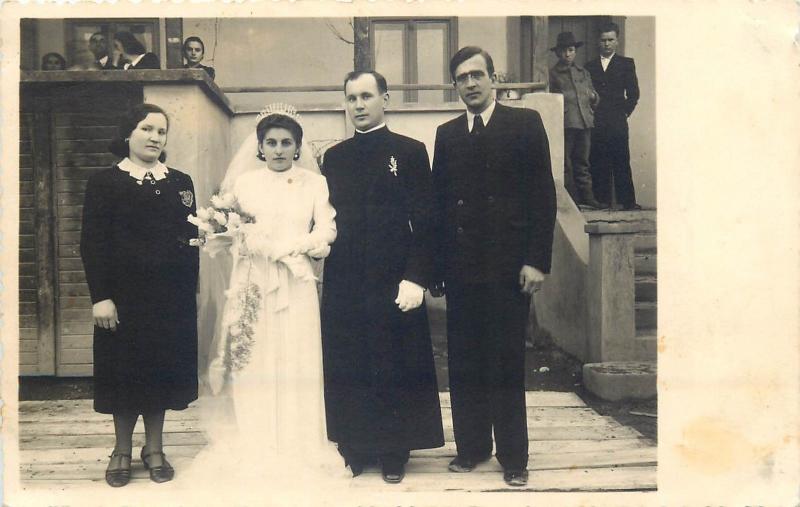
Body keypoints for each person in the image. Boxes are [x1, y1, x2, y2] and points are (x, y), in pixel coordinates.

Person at [186, 104, 345, 491]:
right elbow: (229, 234)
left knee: (296, 358)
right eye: (270, 143)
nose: (277, 150)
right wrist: (243, 240)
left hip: (295, 282)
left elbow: (327, 231)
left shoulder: (313, 183)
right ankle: (257, 441)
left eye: (286, 143)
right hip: (253, 281)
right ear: (259, 147)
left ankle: (298, 443)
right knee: (254, 360)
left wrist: (294, 245)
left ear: (297, 147)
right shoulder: (244, 185)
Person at [431, 46, 556, 487]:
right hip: (462, 270)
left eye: (477, 75)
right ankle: (471, 449)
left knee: (505, 362)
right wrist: (437, 269)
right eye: (461, 78)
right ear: (455, 85)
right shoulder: (446, 134)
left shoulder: (524, 124)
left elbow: (543, 196)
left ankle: (514, 457)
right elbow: (441, 207)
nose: (470, 84)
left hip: (508, 270)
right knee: (464, 361)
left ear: (494, 78)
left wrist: (536, 261)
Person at [321, 70, 444, 484]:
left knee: (394, 361)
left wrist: (417, 278)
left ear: (385, 100)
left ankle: (394, 449)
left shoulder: (409, 152)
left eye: (367, 96)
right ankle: (356, 444)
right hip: (345, 279)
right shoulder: (333, 158)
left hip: (393, 276)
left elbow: (427, 222)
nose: (358, 105)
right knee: (351, 360)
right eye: (351, 98)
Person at [80, 103, 199, 487]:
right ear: (128, 134)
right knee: (123, 373)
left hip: (168, 301)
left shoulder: (180, 182)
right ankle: (121, 450)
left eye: (161, 132)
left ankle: (155, 449)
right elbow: (92, 244)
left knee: (160, 372)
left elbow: (189, 240)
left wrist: (188, 293)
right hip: (122, 301)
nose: (154, 137)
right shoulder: (104, 183)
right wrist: (101, 296)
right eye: (146, 129)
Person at [585, 21, 641, 210]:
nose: (607, 44)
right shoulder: (589, 66)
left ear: (617, 41)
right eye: (603, 40)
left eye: (611, 40)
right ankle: (602, 201)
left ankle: (628, 201)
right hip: (597, 120)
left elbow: (634, 94)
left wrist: (624, 112)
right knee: (598, 158)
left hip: (617, 120)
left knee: (621, 159)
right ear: (597, 42)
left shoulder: (626, 64)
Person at [549, 31, 604, 209]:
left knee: (583, 161)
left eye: (571, 50)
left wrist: (594, 97)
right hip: (566, 123)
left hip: (584, 121)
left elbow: (595, 97)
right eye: (563, 51)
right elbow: (550, 100)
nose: (567, 54)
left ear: (575, 51)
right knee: (566, 163)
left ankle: (587, 197)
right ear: (558, 53)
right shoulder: (553, 74)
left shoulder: (584, 73)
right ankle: (572, 201)